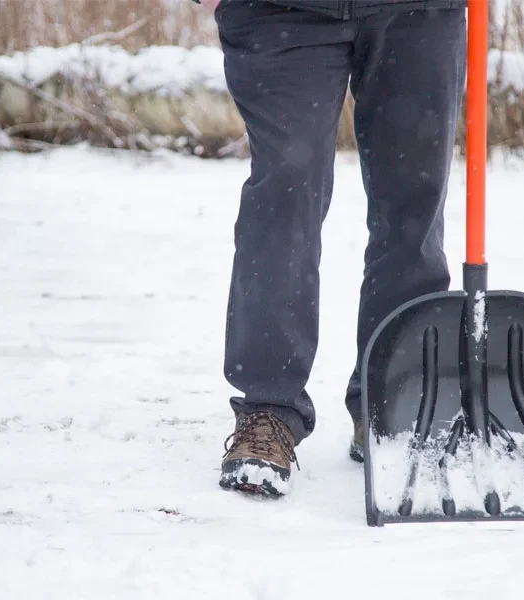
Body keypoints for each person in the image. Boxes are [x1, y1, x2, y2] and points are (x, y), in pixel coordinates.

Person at [193, 0, 468, 496]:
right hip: (278, 10)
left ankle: (393, 398)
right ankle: (268, 408)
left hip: (418, 10)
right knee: (285, 194)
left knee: (415, 200)